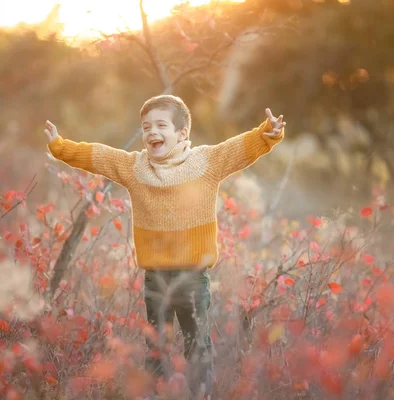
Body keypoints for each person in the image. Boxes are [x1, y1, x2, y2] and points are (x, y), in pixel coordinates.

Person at [44, 95, 285, 399]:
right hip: (155, 276)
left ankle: (202, 393)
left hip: (193, 277)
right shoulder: (135, 167)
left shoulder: (205, 162)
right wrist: (60, 146)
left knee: (196, 344)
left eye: (161, 125)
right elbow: (99, 156)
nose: (152, 132)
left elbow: (239, 148)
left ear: (182, 133)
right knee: (156, 345)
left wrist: (268, 132)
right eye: (146, 127)